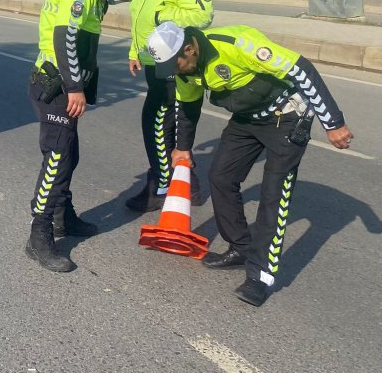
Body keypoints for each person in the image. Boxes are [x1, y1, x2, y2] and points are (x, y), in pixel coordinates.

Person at [145, 21, 353, 307]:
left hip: (286, 116)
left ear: (190, 49)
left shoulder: (237, 43)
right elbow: (188, 107)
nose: (175, 72)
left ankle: (262, 276)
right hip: (246, 119)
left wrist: (333, 122)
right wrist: (182, 148)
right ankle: (240, 247)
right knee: (220, 177)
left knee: (273, 194)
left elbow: (300, 69)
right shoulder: (185, 69)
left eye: (175, 64)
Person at [25, 0, 146, 273]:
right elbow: (65, 39)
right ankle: (40, 233)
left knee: (69, 154)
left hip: (64, 84)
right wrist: (75, 88)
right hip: (56, 86)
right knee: (57, 158)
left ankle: (64, 217)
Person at [126, 0, 214, 212]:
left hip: (174, 61)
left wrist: (165, 14)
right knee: (160, 123)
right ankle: (176, 184)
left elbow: (203, 17)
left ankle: (165, 186)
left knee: (161, 123)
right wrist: (134, 50)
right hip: (153, 58)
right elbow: (139, 12)